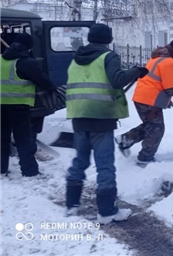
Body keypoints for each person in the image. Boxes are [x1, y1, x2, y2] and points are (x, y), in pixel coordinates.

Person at [64, 24, 148, 224]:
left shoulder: (76, 59)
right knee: (105, 166)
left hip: (79, 116)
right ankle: (107, 212)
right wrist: (136, 71)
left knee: (80, 162)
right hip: (101, 118)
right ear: (108, 39)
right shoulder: (108, 56)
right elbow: (117, 80)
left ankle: (71, 205)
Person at [115, 38, 173, 164]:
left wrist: (165, 100)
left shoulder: (158, 57)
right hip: (149, 99)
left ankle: (125, 139)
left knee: (151, 126)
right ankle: (145, 158)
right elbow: (170, 87)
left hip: (142, 97)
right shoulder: (169, 62)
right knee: (156, 129)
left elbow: (156, 81)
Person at [1, 33, 58, 177]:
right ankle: (29, 171)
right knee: (24, 140)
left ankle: (1, 168)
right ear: (29, 47)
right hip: (19, 107)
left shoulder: (0, 60)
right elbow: (45, 83)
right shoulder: (27, 63)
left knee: (2, 138)